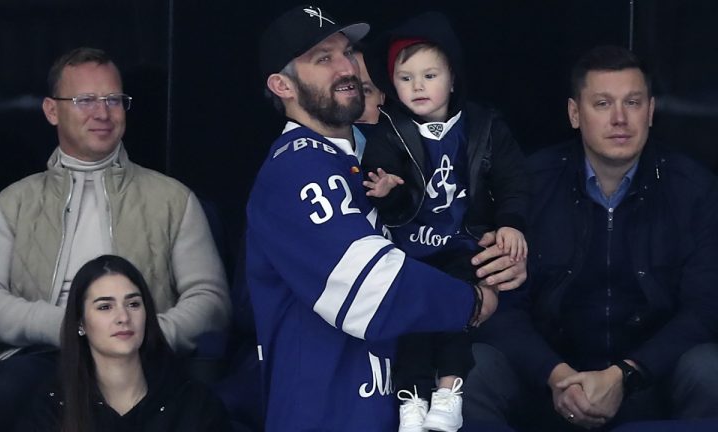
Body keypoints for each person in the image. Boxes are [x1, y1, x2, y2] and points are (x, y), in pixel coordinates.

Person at [249, 5, 525, 431]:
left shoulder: (371, 157)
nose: (347, 68)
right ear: (282, 85)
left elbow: (450, 234)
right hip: (326, 416)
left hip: (387, 408)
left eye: (347, 52)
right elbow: (374, 290)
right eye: (323, 58)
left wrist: (500, 260)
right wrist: (471, 301)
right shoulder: (297, 166)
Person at [0, 47, 231, 431]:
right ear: (52, 111)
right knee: (2, 396)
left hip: (140, 353)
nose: (102, 113)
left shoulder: (173, 199)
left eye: (113, 100)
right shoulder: (14, 202)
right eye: (85, 100)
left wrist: (143, 332)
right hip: (45, 354)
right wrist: (62, 325)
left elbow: (211, 300)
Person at [465, 45, 718, 431]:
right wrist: (557, 376)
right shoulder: (528, 186)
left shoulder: (694, 189)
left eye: (632, 102)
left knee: (709, 369)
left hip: (649, 380)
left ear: (650, 111)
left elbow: (704, 310)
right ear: (574, 113)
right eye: (602, 103)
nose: (620, 118)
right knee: (475, 368)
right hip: (548, 383)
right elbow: (500, 307)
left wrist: (624, 375)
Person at [359, 12, 529, 432]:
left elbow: (512, 180)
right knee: (414, 322)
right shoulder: (388, 130)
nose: (417, 87)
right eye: (405, 78)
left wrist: (510, 222)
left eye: (430, 75)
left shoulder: (483, 125)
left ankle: (449, 394)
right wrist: (388, 192)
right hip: (408, 250)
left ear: (453, 79)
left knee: (456, 312)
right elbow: (388, 197)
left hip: (462, 245)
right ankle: (412, 403)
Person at [16, 255, 232, 432]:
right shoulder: (53, 408)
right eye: (105, 307)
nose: (123, 317)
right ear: (80, 323)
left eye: (133, 304)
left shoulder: (194, 403)